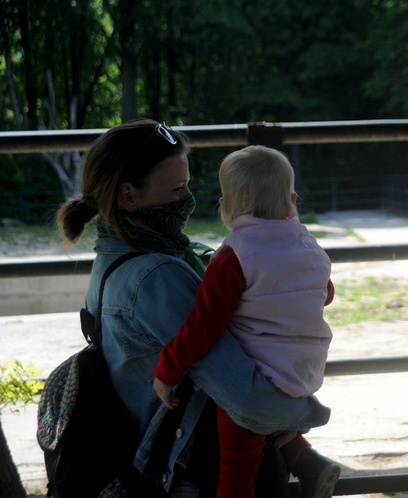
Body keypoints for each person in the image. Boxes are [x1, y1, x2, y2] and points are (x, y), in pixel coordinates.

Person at [55, 119, 334, 497]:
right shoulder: (157, 278)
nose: (189, 198)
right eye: (178, 188)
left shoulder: (122, 256)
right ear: (129, 197)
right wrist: (305, 414)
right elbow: (253, 404)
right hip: (193, 472)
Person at [152, 145, 340, 498]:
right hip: (303, 374)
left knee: (236, 467)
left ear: (226, 207)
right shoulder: (311, 246)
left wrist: (167, 371)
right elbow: (324, 294)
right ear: (293, 200)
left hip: (258, 383)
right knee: (270, 421)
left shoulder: (233, 256)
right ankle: (306, 459)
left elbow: (202, 325)